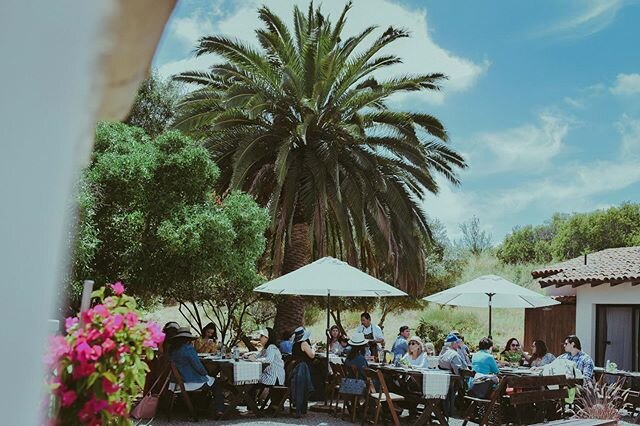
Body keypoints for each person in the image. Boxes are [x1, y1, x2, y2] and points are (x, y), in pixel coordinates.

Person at [167, 327, 224, 417]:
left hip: (175, 383)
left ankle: (202, 405)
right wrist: (206, 373)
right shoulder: (187, 349)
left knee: (210, 379)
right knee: (216, 382)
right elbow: (199, 368)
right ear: (187, 339)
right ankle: (220, 410)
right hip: (188, 382)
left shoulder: (172, 350)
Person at [289, 326, 315, 418]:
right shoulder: (303, 343)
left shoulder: (295, 344)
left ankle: (299, 407)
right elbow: (311, 355)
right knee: (302, 388)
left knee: (299, 387)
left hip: (296, 367)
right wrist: (314, 349)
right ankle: (301, 408)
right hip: (303, 367)